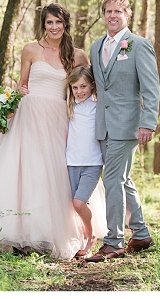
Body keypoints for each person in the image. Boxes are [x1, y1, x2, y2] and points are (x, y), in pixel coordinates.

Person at [0, 3, 93, 260]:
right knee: (24, 169)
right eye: (49, 23)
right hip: (28, 115)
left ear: (66, 24)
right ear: (43, 25)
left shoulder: (77, 55)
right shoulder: (31, 49)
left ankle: (52, 230)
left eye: (58, 22)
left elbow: (87, 89)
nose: (54, 27)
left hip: (59, 119)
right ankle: (18, 230)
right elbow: (22, 84)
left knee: (53, 172)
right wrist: (10, 103)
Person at [85, 0, 160, 262]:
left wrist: (148, 123)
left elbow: (151, 88)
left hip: (128, 124)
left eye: (118, 11)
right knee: (123, 178)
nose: (112, 16)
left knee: (113, 179)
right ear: (103, 15)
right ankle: (140, 233)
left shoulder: (138, 45)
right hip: (102, 125)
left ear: (127, 14)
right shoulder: (95, 47)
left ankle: (114, 241)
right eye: (108, 11)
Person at [65, 66, 109, 258]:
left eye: (83, 86)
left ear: (92, 85)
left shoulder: (98, 107)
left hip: (92, 163)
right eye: (75, 87)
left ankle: (90, 237)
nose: (79, 91)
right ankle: (80, 236)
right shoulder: (69, 106)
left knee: (78, 203)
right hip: (71, 162)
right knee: (74, 205)